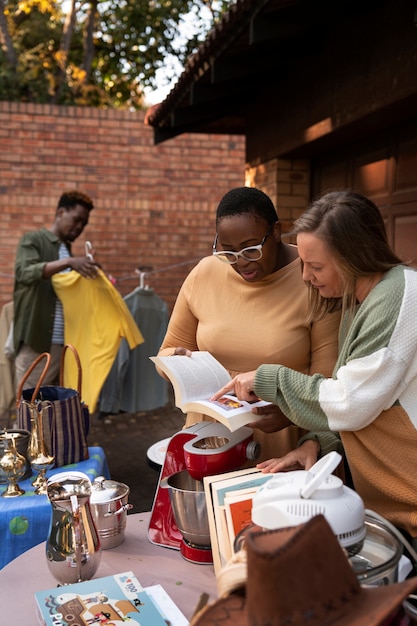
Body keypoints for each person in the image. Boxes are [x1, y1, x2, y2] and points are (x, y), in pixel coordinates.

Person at [212, 189, 417, 543]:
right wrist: (319, 443)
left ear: (354, 257)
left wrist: (267, 378)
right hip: (391, 510)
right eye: (304, 263)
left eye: (316, 266)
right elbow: (372, 398)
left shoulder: (398, 298)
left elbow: (350, 401)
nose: (306, 276)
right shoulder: (362, 300)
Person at [157, 186, 341, 461]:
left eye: (251, 249)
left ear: (276, 231)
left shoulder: (313, 279)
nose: (241, 262)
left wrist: (290, 412)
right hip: (207, 443)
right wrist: (177, 361)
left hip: (282, 448)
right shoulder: (205, 273)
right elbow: (168, 352)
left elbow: (328, 384)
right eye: (228, 252)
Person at [13, 190, 98, 392]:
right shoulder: (33, 240)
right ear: (60, 212)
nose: (79, 227)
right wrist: (68, 262)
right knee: (30, 406)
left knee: (52, 410)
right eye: (76, 219)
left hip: (63, 344)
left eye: (83, 224)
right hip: (37, 341)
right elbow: (24, 272)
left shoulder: (67, 252)